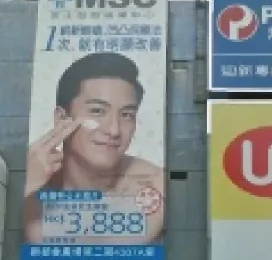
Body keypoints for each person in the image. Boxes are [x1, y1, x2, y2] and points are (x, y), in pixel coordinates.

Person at [22, 51, 165, 244]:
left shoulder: (154, 186)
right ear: (62, 119)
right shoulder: (29, 185)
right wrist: (24, 185)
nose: (114, 130)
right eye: (97, 111)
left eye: (127, 115)